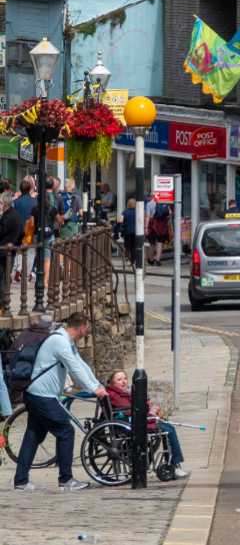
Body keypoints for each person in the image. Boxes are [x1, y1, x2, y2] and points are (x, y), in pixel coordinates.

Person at [14, 312, 107, 491]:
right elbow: (74, 368)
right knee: (66, 431)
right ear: (83, 328)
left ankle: (21, 481)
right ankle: (66, 480)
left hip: (39, 395)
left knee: (33, 436)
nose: (86, 332)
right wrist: (92, 389)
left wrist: (96, 384)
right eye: (86, 328)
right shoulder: (59, 341)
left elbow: (81, 364)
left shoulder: (65, 341)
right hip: (42, 396)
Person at [104, 371, 189, 479]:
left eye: (125, 378)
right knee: (169, 430)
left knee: (167, 426)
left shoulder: (123, 393)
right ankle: (175, 464)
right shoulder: (116, 395)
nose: (124, 381)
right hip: (131, 423)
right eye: (119, 379)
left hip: (134, 420)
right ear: (112, 382)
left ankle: (173, 463)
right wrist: (150, 416)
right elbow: (129, 411)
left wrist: (149, 410)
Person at [30, 189, 62, 288]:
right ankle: (44, 281)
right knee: (47, 259)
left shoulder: (34, 209)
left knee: (39, 257)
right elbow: (59, 220)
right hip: (49, 235)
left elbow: (31, 224)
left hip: (37, 235)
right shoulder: (52, 209)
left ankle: (38, 279)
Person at [0, 192, 24, 296]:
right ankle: (5, 303)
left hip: (2, 252)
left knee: (2, 279)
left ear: (3, 205)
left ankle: (2, 304)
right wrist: (18, 244)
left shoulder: (7, 217)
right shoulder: (17, 214)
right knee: (6, 278)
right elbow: (22, 232)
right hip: (11, 251)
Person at [12, 180, 36, 285]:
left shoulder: (16, 202)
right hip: (30, 230)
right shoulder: (34, 201)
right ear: (30, 189)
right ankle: (26, 275)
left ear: (20, 190)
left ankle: (19, 268)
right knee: (30, 253)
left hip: (18, 229)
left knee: (20, 251)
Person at [146, 193, 171, 266]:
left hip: (153, 222)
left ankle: (151, 259)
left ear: (151, 196)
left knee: (152, 243)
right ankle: (158, 260)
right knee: (160, 242)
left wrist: (146, 227)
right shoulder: (163, 202)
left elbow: (148, 215)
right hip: (162, 223)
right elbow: (169, 212)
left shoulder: (149, 204)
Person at [119, 199, 139, 268]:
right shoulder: (137, 212)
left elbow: (120, 220)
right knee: (133, 247)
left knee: (127, 246)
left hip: (127, 231)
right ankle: (132, 261)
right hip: (135, 232)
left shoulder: (125, 212)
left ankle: (127, 259)